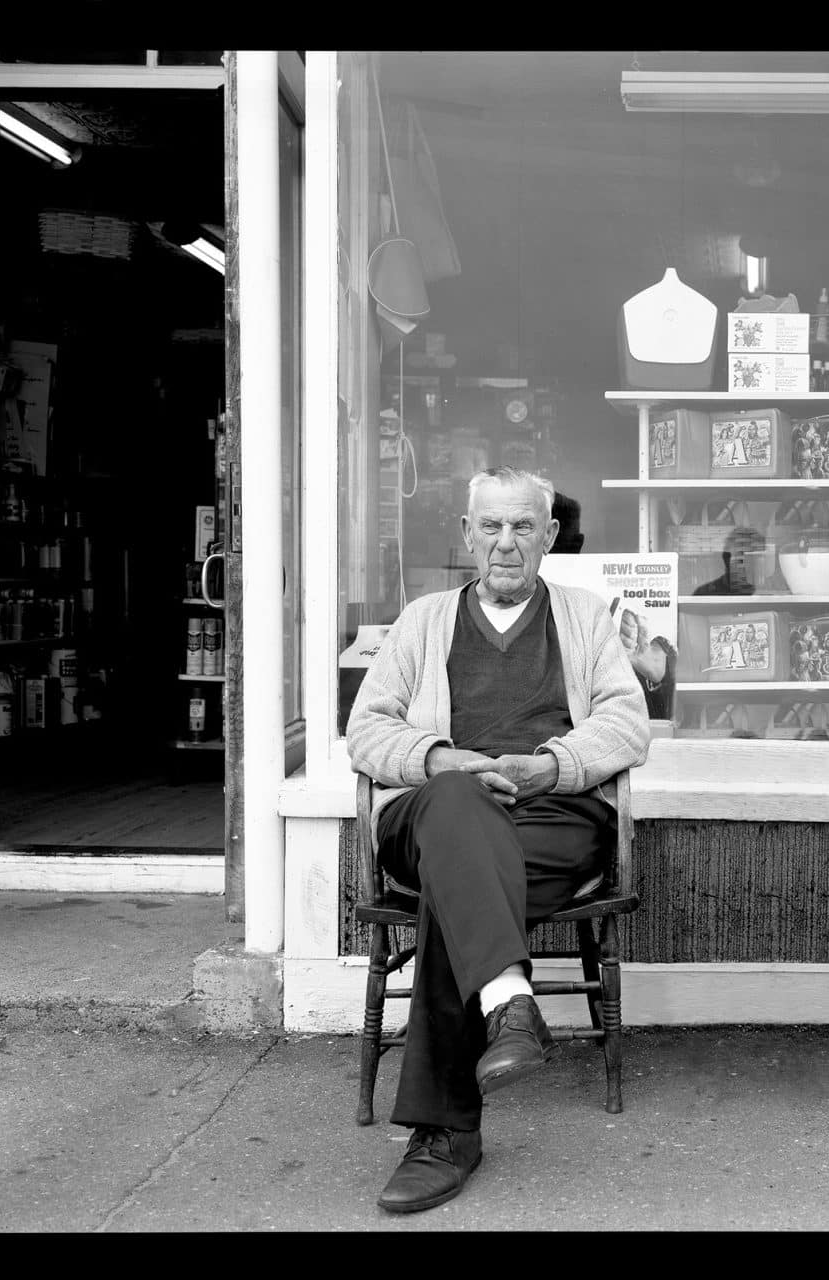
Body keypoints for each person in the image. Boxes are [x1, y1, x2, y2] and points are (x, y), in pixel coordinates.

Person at [347, 466, 650, 1214]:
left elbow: (625, 723)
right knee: (455, 807)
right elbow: (367, 731)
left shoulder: (584, 618)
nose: (505, 544)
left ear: (549, 538)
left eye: (523, 527)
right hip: (431, 814)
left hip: (549, 817)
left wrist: (551, 768)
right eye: (490, 527)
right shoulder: (423, 620)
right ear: (466, 535)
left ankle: (446, 1134)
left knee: (462, 889)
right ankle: (510, 998)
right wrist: (441, 759)